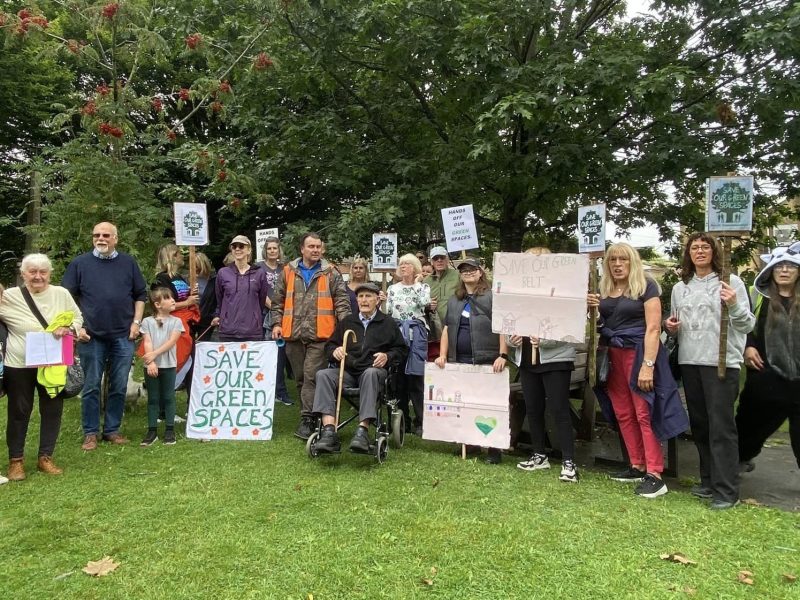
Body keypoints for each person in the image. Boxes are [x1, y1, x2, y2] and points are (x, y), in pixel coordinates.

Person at [588, 242, 688, 499]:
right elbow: (602, 324)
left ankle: (655, 473)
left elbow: (654, 328)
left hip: (640, 354)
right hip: (612, 355)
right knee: (623, 412)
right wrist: (593, 311)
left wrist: (648, 366)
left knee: (644, 412)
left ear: (632, 261)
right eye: (612, 260)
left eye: (623, 259)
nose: (618, 264)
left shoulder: (646, 286)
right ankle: (636, 465)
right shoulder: (605, 289)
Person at [664, 232, 754, 509]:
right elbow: (675, 330)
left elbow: (748, 324)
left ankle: (727, 491)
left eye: (705, 247)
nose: (700, 252)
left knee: (721, 428)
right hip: (690, 362)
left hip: (721, 363)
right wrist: (672, 329)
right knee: (701, 425)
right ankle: (707, 481)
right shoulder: (682, 287)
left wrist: (734, 304)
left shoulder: (732, 282)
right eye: (694, 248)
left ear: (715, 252)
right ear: (688, 254)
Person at [62, 221, 148, 450]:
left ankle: (112, 430)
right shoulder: (80, 264)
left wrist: (136, 323)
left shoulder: (128, 263)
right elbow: (66, 298)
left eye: (106, 235)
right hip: (90, 335)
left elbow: (141, 294)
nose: (101, 239)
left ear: (115, 238)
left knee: (119, 385)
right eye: (96, 235)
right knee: (91, 386)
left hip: (123, 334)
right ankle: (90, 432)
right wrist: (76, 328)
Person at [0, 254, 83, 480]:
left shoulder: (61, 294)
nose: (38, 276)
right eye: (32, 272)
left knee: (52, 410)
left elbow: (78, 318)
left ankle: (45, 457)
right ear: (23, 274)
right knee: (19, 411)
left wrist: (68, 327)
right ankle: (15, 461)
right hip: (18, 364)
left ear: (50, 273)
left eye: (43, 272)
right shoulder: (8, 297)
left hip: (52, 362)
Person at [271, 232, 351, 439]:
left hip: (321, 336)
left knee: (311, 377)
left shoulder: (331, 272)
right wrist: (276, 324)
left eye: (318, 247)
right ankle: (311, 414)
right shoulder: (288, 271)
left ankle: (308, 419)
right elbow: (277, 301)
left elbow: (342, 302)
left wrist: (347, 328)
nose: (315, 250)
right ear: (302, 249)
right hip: (293, 334)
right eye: (311, 246)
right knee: (299, 378)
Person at [508, 248, 579, 481]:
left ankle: (569, 462)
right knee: (533, 407)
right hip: (528, 359)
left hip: (555, 359)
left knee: (559, 409)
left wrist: (546, 340)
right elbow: (509, 324)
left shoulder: (564, 292)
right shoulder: (521, 293)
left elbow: (571, 326)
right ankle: (539, 455)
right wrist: (513, 339)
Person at [312, 282, 408, 453]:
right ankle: (328, 431)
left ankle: (362, 431)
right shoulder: (348, 322)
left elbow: (401, 350)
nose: (364, 300)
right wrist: (335, 351)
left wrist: (388, 356)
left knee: (370, 373)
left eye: (368, 296)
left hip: (373, 371)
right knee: (323, 375)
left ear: (377, 299)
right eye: (361, 297)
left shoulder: (388, 323)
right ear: (356, 300)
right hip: (348, 372)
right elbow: (329, 346)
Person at [434, 258, 508, 463]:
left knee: (488, 404)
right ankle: (471, 443)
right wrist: (443, 354)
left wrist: (502, 355)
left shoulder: (492, 297)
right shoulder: (454, 300)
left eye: (472, 269)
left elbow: (503, 328)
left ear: (480, 272)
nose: (468, 273)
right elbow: (447, 329)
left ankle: (494, 449)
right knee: (465, 403)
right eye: (464, 270)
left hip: (487, 358)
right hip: (460, 359)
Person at [736, 242, 800, 472]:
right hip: (765, 378)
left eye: (790, 266)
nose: (784, 270)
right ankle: (738, 461)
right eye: (779, 266)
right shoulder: (757, 296)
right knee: (749, 427)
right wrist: (747, 346)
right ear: (771, 271)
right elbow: (741, 325)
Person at [387, 253, 431, 435]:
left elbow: (423, 303)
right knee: (398, 379)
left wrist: (417, 284)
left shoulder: (423, 287)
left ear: (415, 268)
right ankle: (402, 420)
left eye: (407, 264)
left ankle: (421, 421)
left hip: (416, 336)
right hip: (398, 336)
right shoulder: (392, 289)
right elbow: (388, 312)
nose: (403, 266)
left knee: (416, 378)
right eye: (401, 264)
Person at [139, 288, 184, 446]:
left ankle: (169, 430)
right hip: (151, 367)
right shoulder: (147, 322)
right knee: (153, 398)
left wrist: (153, 355)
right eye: (168, 298)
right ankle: (152, 431)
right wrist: (150, 362)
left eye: (172, 297)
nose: (173, 300)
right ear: (158, 304)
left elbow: (171, 342)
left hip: (169, 365)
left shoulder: (176, 322)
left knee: (168, 397)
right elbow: (147, 341)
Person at [152, 244, 199, 388]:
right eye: (178, 254)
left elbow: (183, 297)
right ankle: (164, 403)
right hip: (170, 326)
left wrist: (191, 292)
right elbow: (161, 304)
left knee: (190, 362)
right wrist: (187, 302)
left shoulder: (179, 277)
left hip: (186, 325)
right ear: (171, 257)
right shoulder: (161, 279)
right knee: (174, 362)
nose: (182, 256)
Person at [212, 235, 270, 342]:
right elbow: (219, 298)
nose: (237, 249)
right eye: (234, 247)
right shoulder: (223, 273)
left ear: (249, 250)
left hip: (252, 331)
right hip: (228, 331)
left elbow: (261, 300)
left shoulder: (259, 273)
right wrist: (220, 315)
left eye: (241, 246)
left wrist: (255, 317)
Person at [257, 236, 292, 405]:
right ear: (265, 250)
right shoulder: (258, 268)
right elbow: (259, 291)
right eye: (269, 248)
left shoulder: (284, 269)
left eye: (275, 248)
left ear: (279, 250)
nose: (272, 251)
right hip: (264, 313)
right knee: (265, 353)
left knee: (280, 353)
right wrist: (274, 307)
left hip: (283, 315)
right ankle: (264, 389)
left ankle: (280, 390)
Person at [423, 246, 459, 360]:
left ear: (447, 259)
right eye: (436, 258)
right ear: (432, 262)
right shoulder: (426, 281)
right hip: (436, 329)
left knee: (455, 357)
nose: (439, 260)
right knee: (438, 359)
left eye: (442, 258)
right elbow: (420, 304)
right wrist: (428, 306)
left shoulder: (458, 275)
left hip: (456, 324)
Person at [193, 252, 218, 341]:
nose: (195, 268)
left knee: (203, 343)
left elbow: (217, 300)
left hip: (206, 319)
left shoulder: (214, 280)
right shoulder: (187, 279)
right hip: (190, 318)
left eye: (197, 266)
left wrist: (215, 315)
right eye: (193, 266)